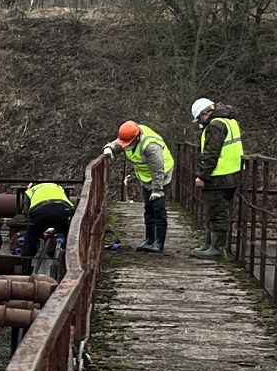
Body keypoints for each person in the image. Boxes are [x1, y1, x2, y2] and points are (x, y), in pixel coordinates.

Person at [103, 120, 173, 252]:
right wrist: (109, 148)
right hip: (146, 178)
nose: (127, 146)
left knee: (158, 208)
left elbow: (158, 169)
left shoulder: (151, 146)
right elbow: (118, 143)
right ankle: (149, 239)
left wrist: (157, 189)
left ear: (137, 138)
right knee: (148, 207)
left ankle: (159, 243)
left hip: (161, 176)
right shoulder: (129, 135)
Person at [190, 97, 244, 259]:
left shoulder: (215, 126)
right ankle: (209, 245)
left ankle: (217, 249)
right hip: (232, 175)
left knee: (217, 212)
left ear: (206, 113)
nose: (201, 122)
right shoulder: (230, 122)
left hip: (218, 176)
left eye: (200, 118)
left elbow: (211, 153)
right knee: (215, 211)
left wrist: (202, 175)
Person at [22, 181, 75, 260]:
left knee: (30, 238)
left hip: (41, 212)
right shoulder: (58, 187)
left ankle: (25, 267)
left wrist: (39, 232)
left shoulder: (31, 190)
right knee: (69, 235)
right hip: (63, 210)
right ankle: (70, 260)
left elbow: (26, 212)